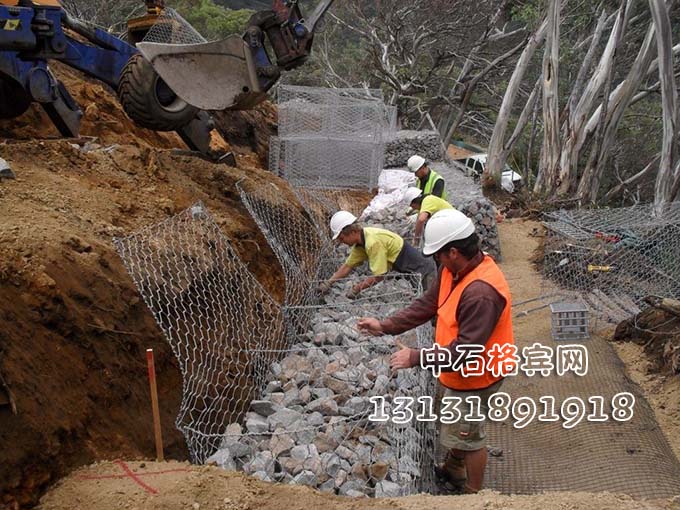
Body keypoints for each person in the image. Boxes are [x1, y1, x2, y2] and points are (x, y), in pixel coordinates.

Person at [357, 209, 514, 494]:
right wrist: (386, 325)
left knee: (470, 436)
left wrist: (415, 357)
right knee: (458, 424)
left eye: (437, 255)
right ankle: (454, 468)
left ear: (453, 251)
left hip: (478, 374)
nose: (434, 261)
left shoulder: (481, 292)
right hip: (459, 372)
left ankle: (474, 495)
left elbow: (466, 352)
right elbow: (427, 305)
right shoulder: (452, 271)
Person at [318, 210, 436, 298]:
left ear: (352, 232)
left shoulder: (372, 242)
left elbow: (380, 275)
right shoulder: (361, 243)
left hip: (425, 272)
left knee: (432, 306)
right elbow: (347, 267)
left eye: (342, 238)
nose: (341, 242)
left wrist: (357, 289)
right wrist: (327, 284)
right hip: (414, 273)